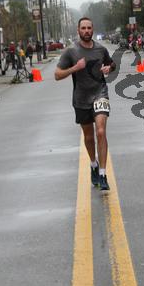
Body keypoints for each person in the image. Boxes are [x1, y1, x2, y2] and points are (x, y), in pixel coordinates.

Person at [55, 17, 116, 191]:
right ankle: (93, 164)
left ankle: (103, 174)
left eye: (89, 28)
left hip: (100, 93)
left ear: (93, 29)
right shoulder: (71, 52)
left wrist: (109, 68)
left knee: (101, 132)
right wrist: (75, 68)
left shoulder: (101, 49)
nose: (87, 31)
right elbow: (57, 75)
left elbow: (111, 64)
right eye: (83, 28)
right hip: (81, 99)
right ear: (78, 30)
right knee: (89, 138)